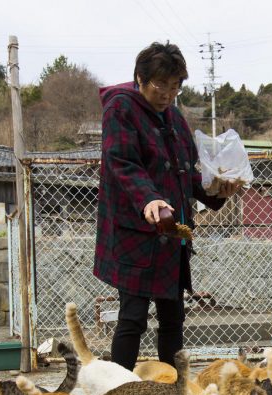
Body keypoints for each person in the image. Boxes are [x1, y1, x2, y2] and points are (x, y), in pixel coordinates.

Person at [94, 42, 241, 370]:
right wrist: (150, 198)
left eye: (175, 86)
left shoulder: (175, 117)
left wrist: (218, 190)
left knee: (173, 319)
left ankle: (172, 394)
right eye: (161, 85)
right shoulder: (120, 108)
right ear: (140, 79)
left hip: (173, 232)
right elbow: (122, 163)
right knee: (132, 319)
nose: (168, 94)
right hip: (136, 232)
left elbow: (186, 175)